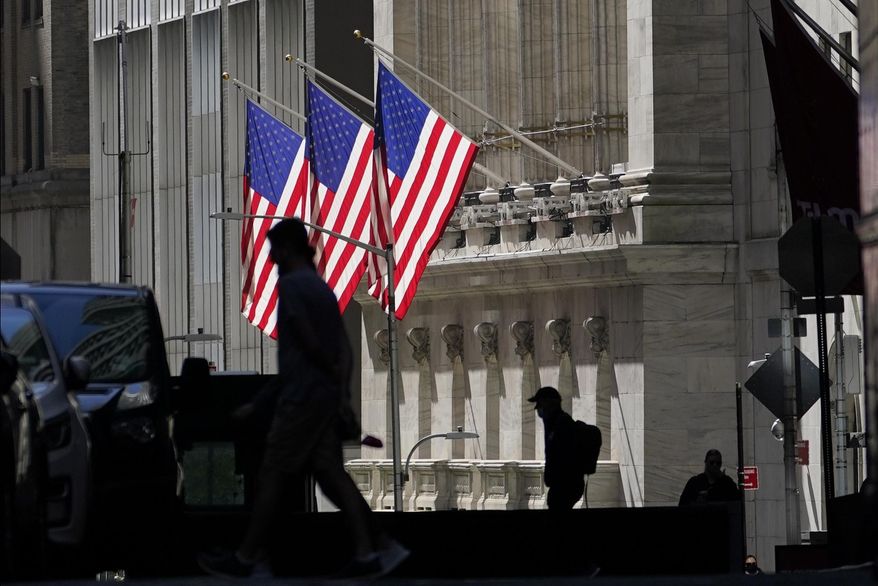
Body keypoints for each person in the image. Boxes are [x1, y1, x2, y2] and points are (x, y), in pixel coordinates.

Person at [198, 218, 407, 579]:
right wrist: (338, 392)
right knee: (331, 477)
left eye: (272, 250)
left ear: (286, 249)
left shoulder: (292, 287)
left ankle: (249, 558)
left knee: (273, 473)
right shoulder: (322, 290)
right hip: (322, 399)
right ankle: (376, 548)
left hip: (301, 400)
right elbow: (344, 349)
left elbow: (308, 344)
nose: (269, 258)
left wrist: (269, 400)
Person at [529, 386, 584, 510]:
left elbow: (564, 456)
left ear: (549, 404)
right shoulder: (553, 423)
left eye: (540, 404)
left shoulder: (562, 423)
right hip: (562, 485)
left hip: (566, 485)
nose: (538, 409)